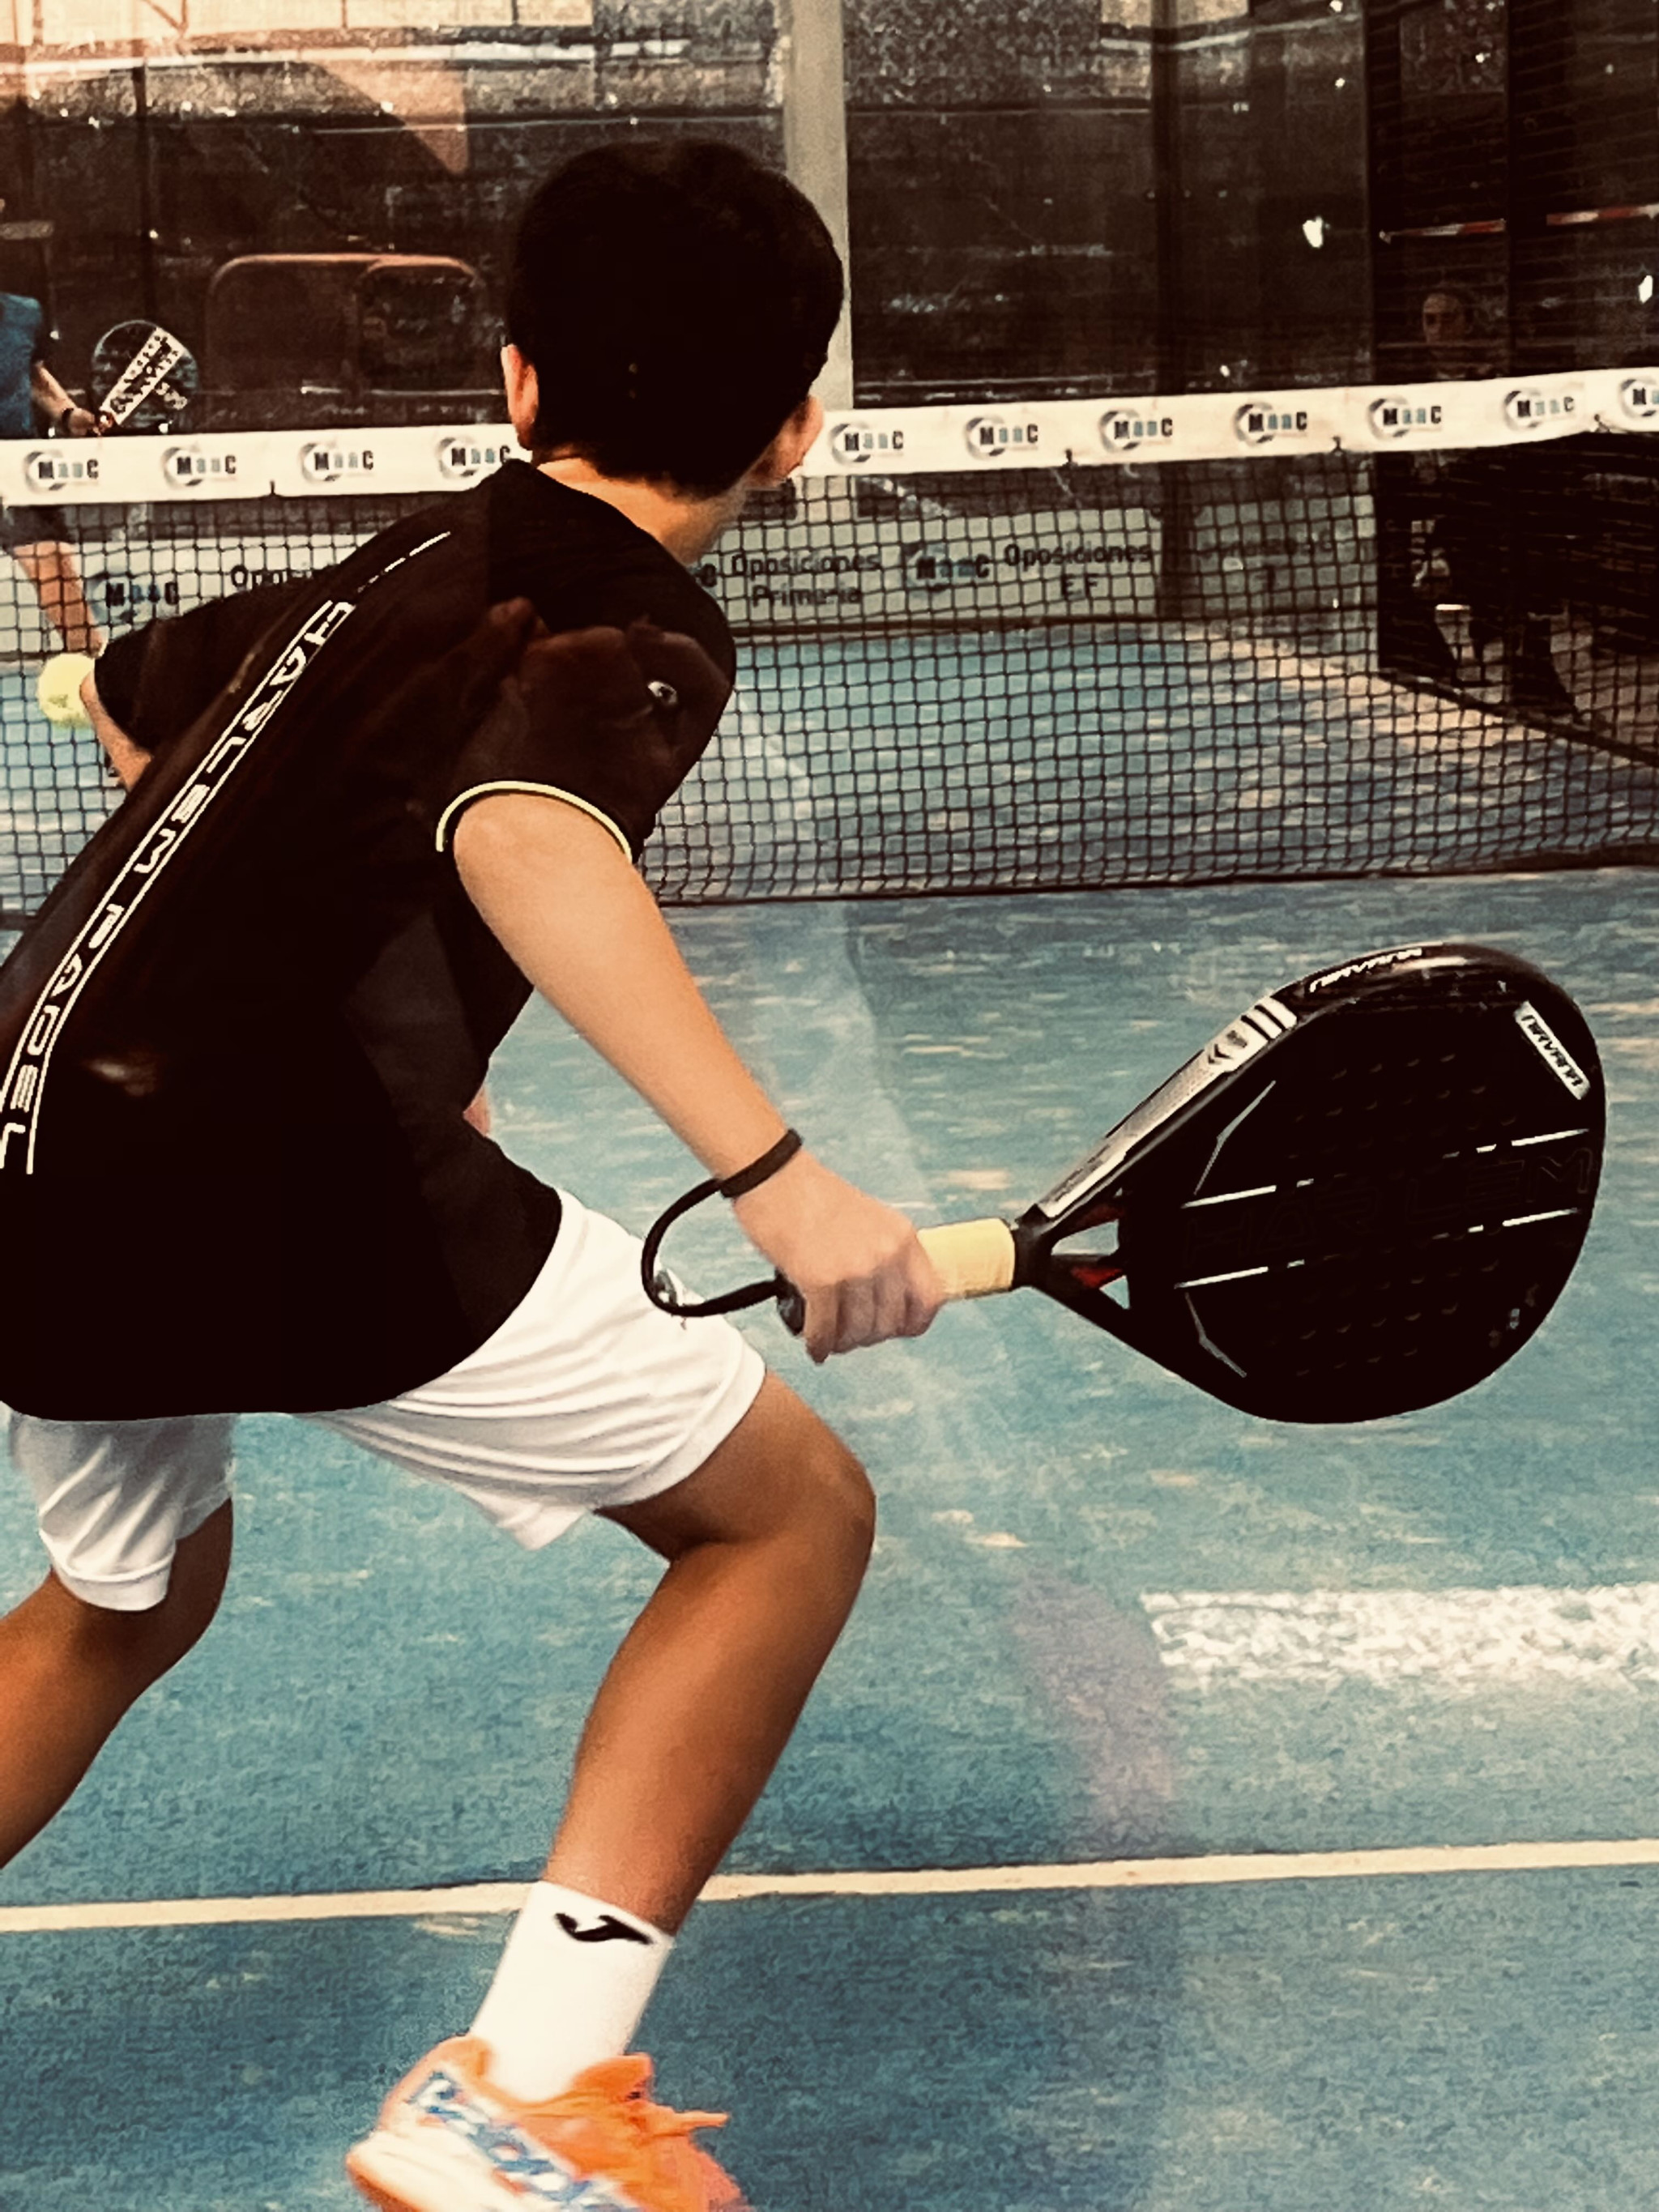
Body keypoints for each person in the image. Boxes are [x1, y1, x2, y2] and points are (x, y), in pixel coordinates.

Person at [0, 140, 941, 2212]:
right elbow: (524, 831)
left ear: (514, 382)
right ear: (795, 432)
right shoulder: (635, 627)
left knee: (122, 1604)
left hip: (35, 1136)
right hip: (269, 1186)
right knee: (785, 1515)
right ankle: (532, 2091)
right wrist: (778, 1178)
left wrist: (379, 1012)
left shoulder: (400, 564)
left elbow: (133, 703)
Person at [0, 246, 104, 661]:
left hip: (20, 469)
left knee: (65, 596)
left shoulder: (24, 313)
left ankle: (97, 688)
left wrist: (67, 413)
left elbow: (31, 373)